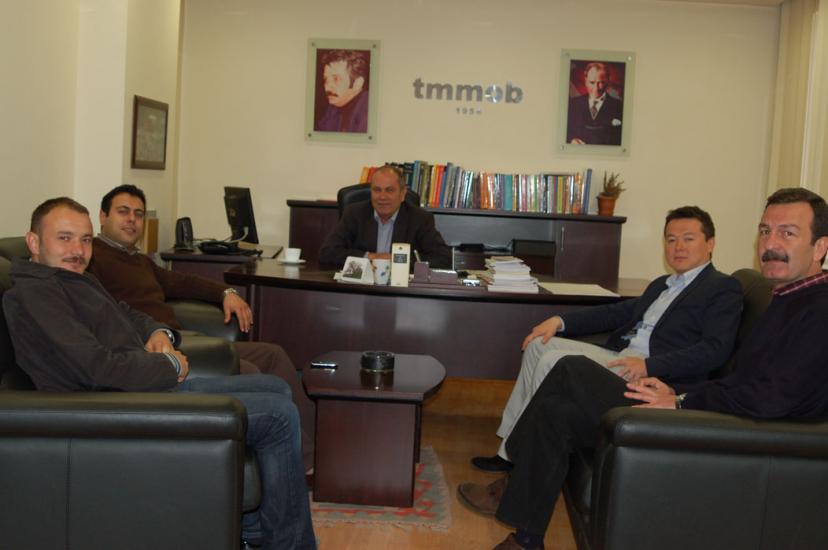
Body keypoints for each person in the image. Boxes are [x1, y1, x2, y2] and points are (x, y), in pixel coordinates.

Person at [458, 187, 828, 550]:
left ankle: (513, 470)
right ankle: (527, 539)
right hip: (703, 408)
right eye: (765, 231)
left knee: (570, 368)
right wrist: (681, 396)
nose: (770, 243)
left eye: (787, 233)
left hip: (718, 430)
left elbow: (768, 398)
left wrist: (681, 400)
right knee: (558, 410)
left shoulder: (814, 310)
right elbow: (742, 383)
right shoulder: (787, 298)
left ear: (820, 247)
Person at [2, 197, 316, 549]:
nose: (77, 250)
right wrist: (168, 366)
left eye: (85, 240)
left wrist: (158, 332)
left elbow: (126, 313)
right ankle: (289, 544)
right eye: (64, 238)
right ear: (33, 242)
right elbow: (96, 368)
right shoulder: (37, 293)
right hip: (115, 405)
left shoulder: (74, 279)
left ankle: (255, 530)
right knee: (278, 415)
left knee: (275, 387)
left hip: (139, 389)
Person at [471, 206, 743, 473]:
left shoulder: (722, 287)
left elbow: (714, 349)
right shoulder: (663, 284)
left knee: (553, 360)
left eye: (688, 239)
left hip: (650, 374)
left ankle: (521, 456)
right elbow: (616, 313)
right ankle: (509, 448)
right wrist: (559, 321)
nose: (678, 247)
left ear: (710, 243)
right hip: (621, 357)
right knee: (538, 345)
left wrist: (650, 365)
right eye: (671, 240)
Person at [86, 184, 315, 471]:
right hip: (160, 349)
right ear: (102, 217)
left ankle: (314, 454)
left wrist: (226, 293)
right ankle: (297, 463)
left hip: (186, 339)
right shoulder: (92, 258)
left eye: (138, 214)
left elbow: (184, 282)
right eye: (123, 212)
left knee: (274, 355)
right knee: (249, 372)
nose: (132, 219)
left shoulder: (139, 260)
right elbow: (105, 316)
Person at [319, 165, 453, 268]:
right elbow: (327, 253)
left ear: (402, 194)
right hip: (360, 287)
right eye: (377, 190)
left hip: (401, 290)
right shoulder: (354, 213)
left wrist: (395, 260)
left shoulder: (419, 218)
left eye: (390, 190)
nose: (382, 197)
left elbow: (443, 258)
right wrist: (370, 257)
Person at [566, 62, 624, 145]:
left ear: (608, 82)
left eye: (601, 82)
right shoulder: (572, 104)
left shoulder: (619, 107)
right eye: (592, 82)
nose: (596, 88)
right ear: (585, 81)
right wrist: (571, 140)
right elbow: (565, 132)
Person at [314, 49, 369, 133]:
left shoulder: (370, 113)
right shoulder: (333, 108)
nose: (327, 87)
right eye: (325, 79)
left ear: (357, 83)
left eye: (336, 79)